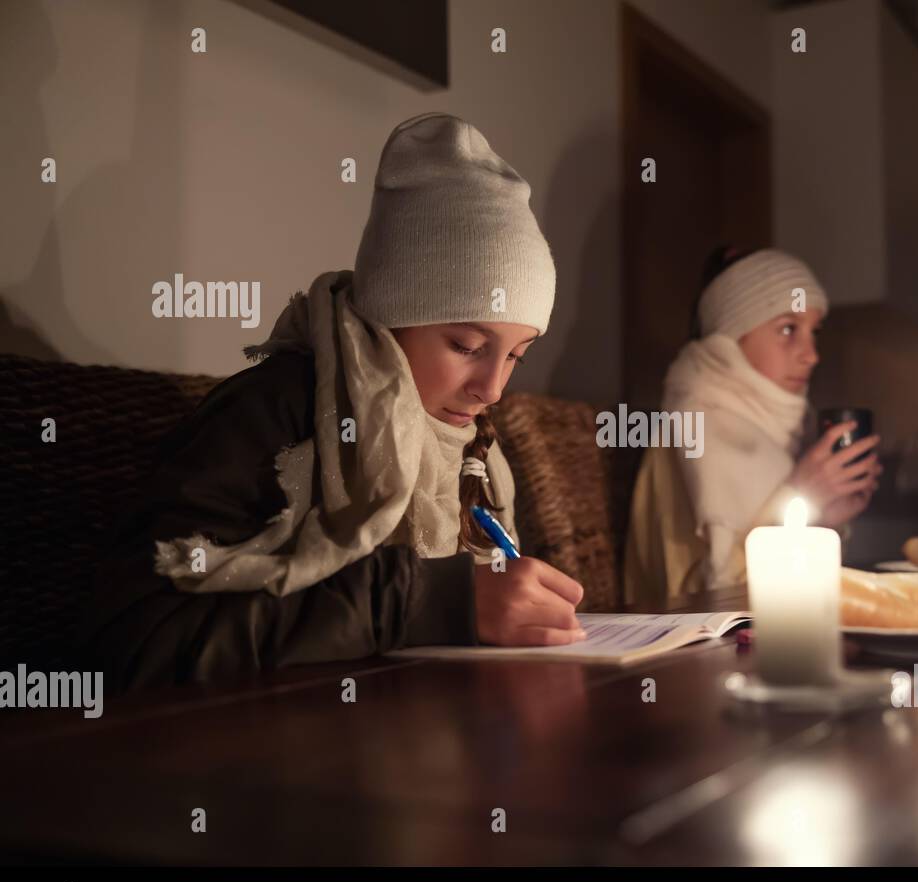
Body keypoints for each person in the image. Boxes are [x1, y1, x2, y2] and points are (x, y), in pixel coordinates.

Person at [81, 113, 586, 692]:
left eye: (517, 354)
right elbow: (132, 644)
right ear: (391, 316)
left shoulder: (477, 452)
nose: (493, 389)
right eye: (467, 345)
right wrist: (421, 604)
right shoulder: (276, 412)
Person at [623, 246, 883, 603]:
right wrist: (799, 490)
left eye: (814, 332)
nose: (812, 354)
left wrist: (824, 516)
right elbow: (710, 595)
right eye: (788, 328)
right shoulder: (695, 422)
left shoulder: (773, 423)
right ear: (730, 338)